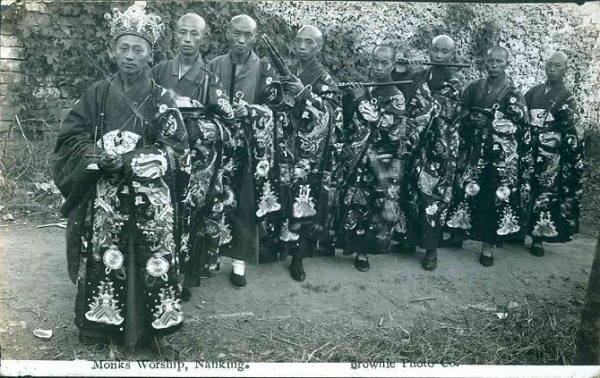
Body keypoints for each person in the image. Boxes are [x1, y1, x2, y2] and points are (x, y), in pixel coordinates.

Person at [52, 4, 188, 358]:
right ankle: (100, 325)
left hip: (149, 199)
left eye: (138, 49)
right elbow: (70, 137)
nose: (130, 56)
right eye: (123, 48)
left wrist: (131, 160)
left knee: (150, 260)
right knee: (105, 256)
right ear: (113, 51)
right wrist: (97, 153)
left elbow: (177, 150)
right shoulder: (97, 92)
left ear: (150, 54)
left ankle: (149, 333)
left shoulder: (162, 98)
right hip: (106, 195)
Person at [152, 13, 235, 300]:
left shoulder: (209, 78)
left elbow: (227, 119)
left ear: (203, 38)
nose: (188, 39)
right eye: (183, 33)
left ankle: (185, 274)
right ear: (174, 35)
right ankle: (160, 267)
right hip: (165, 152)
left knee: (191, 213)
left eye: (194, 34)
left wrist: (201, 122)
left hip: (199, 159)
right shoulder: (160, 70)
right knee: (165, 210)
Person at [207, 14, 283, 288]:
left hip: (250, 150)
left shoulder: (265, 69)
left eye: (247, 35)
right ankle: (210, 255)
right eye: (236, 33)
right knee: (213, 201)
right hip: (217, 149)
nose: (241, 40)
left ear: (255, 37)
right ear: (227, 33)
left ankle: (239, 262)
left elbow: (277, 111)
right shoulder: (213, 65)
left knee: (244, 206)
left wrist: (251, 110)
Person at [267, 25, 343, 281]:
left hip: (310, 153)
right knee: (281, 194)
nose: (301, 46)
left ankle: (299, 257)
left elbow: (332, 113)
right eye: (298, 41)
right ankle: (279, 247)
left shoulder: (324, 79)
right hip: (283, 146)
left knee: (304, 201)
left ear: (318, 47)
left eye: (308, 42)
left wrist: (302, 93)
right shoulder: (282, 71)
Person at [339, 45, 425, 272]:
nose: (378, 67)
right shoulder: (368, 87)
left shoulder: (396, 95)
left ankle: (363, 252)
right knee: (353, 202)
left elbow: (388, 127)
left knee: (373, 206)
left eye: (384, 63)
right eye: (375, 62)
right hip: (358, 159)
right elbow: (351, 121)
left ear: (393, 65)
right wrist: (350, 100)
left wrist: (360, 101)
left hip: (381, 162)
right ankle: (347, 243)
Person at [445, 46, 531, 267]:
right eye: (490, 60)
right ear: (485, 62)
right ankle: (458, 233)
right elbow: (460, 109)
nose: (494, 65)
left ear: (506, 64)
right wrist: (470, 117)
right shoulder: (474, 87)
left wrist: (492, 121)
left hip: (499, 155)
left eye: (498, 62)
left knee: (493, 197)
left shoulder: (512, 92)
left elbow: (521, 122)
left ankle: (487, 247)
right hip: (473, 148)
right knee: (465, 188)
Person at [392, 35, 463, 270]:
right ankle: (407, 240)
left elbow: (436, 110)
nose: (438, 56)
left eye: (444, 52)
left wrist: (418, 81)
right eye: (435, 50)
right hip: (414, 146)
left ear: (451, 55)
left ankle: (431, 250)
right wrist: (401, 72)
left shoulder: (453, 83)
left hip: (439, 150)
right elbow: (401, 95)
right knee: (409, 192)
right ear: (429, 50)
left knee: (432, 198)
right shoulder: (421, 75)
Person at [524, 51, 583, 256]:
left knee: (544, 193)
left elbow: (572, 131)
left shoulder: (567, 97)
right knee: (524, 188)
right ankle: (519, 231)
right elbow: (522, 117)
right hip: (529, 149)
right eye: (549, 65)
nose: (552, 69)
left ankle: (538, 237)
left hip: (550, 154)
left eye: (558, 66)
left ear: (566, 69)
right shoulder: (534, 92)